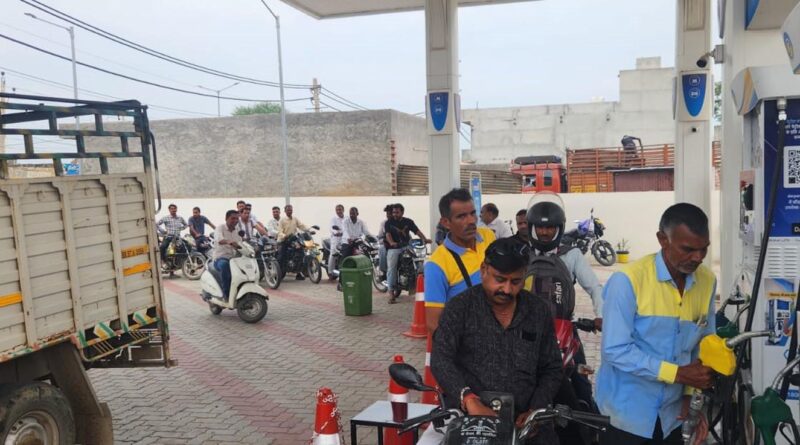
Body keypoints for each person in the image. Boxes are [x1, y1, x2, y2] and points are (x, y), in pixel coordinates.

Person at [424, 237, 563, 445]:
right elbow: (441, 359)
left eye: (515, 282)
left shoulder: (538, 310)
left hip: (527, 426)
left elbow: (552, 367)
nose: (507, 289)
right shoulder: (460, 307)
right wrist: (468, 399)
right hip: (469, 423)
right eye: (500, 279)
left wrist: (536, 409)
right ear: (483, 270)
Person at [597, 203, 716, 445]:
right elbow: (615, 350)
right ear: (663, 239)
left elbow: (704, 345)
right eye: (688, 249)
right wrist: (678, 374)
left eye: (704, 249)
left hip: (674, 415)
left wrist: (692, 397)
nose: (698, 258)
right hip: (626, 416)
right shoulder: (627, 281)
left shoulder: (707, 281)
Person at [524, 194, 605, 444]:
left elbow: (594, 286)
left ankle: (588, 432)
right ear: (532, 228)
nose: (546, 232)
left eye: (551, 227)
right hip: (525, 331)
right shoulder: (521, 253)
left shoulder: (572, 255)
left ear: (559, 228)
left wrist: (600, 315)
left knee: (580, 383)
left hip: (564, 330)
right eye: (541, 227)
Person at [424, 188, 495, 333]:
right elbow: (433, 323)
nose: (470, 221)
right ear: (446, 222)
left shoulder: (488, 236)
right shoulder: (437, 264)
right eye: (461, 216)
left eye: (473, 213)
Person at [385, 203, 431, 302]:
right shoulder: (389, 222)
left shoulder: (408, 221)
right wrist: (392, 242)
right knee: (391, 267)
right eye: (393, 212)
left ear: (402, 212)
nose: (395, 214)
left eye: (397, 212)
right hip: (394, 248)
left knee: (418, 260)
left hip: (407, 246)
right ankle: (391, 292)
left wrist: (425, 239)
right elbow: (388, 235)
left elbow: (417, 231)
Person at [210, 210, 243, 298]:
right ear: (226, 218)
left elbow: (241, 243)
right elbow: (219, 240)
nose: (235, 221)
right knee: (225, 266)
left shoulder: (238, 230)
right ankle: (226, 294)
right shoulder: (220, 228)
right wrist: (229, 241)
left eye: (237, 219)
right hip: (221, 258)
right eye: (233, 218)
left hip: (234, 259)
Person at [278, 204, 310, 280]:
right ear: (285, 211)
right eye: (288, 210)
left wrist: (308, 230)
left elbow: (301, 225)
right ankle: (279, 272)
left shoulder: (295, 219)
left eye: (291, 209)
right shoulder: (282, 220)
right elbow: (279, 231)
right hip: (284, 240)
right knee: (282, 256)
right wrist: (283, 235)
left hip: (293, 239)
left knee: (301, 251)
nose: (290, 211)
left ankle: (299, 272)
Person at [328, 204, 346, 280]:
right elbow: (331, 228)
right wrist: (336, 232)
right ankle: (330, 271)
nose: (338, 211)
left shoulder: (347, 218)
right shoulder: (333, 219)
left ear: (343, 210)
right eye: (337, 210)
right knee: (333, 254)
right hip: (336, 238)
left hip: (345, 238)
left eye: (340, 209)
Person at [376, 204, 394, 282]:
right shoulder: (384, 223)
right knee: (382, 249)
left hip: (399, 244)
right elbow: (380, 236)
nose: (388, 215)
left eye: (390, 213)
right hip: (386, 243)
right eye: (387, 214)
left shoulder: (399, 221)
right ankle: (383, 272)